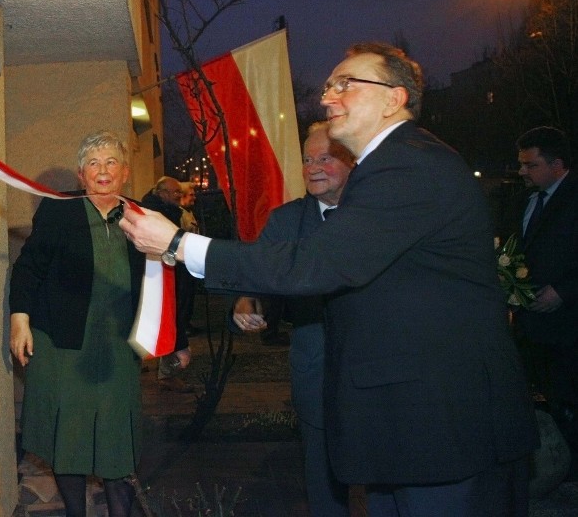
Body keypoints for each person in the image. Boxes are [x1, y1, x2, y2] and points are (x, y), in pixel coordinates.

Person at [120, 43, 539, 516]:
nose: (327, 97)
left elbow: (317, 264)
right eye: (328, 86)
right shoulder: (388, 166)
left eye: (346, 84)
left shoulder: (410, 163)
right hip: (407, 423)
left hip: (440, 423)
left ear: (393, 98)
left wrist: (180, 245)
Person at [9, 131, 143, 517]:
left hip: (119, 346)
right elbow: (28, 269)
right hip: (64, 346)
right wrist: (20, 320)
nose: (103, 171)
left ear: (125, 172)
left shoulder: (141, 217)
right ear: (81, 175)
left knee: (119, 439)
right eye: (94, 164)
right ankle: (75, 513)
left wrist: (176, 338)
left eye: (111, 162)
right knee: (70, 439)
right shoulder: (58, 212)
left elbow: (166, 280)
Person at [232, 121, 354, 517]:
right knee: (322, 472)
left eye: (325, 158)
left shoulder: (374, 216)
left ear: (352, 162)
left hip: (375, 368)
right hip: (315, 366)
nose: (313, 167)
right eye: (306, 159)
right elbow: (255, 268)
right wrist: (246, 301)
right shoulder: (287, 220)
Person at [514, 126, 578, 449]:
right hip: (532, 328)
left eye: (531, 165)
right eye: (522, 164)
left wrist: (564, 292)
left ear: (557, 164)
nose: (522, 171)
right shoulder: (526, 201)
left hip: (567, 330)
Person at [141, 176, 193, 392]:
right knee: (168, 320)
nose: (179, 197)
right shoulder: (158, 215)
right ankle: (167, 373)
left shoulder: (169, 212)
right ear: (161, 193)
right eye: (175, 193)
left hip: (170, 274)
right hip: (163, 276)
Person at [179, 182, 202, 336]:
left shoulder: (188, 212)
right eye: (191, 195)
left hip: (191, 259)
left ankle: (186, 323)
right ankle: (183, 325)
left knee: (189, 294)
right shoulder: (180, 214)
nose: (194, 198)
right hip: (184, 261)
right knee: (184, 295)